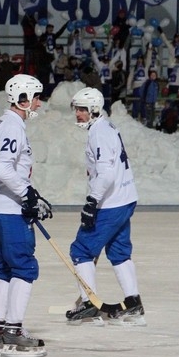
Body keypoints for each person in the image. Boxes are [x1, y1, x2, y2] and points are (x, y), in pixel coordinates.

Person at [0, 74, 51, 357]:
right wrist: (28, 194)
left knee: (5, 269)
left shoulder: (2, 123)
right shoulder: (12, 126)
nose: (39, 102)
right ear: (23, 99)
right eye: (36, 97)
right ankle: (13, 330)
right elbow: (2, 167)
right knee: (24, 267)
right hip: (8, 210)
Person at [66, 87, 145, 327]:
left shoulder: (99, 132)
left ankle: (89, 304)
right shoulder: (107, 127)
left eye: (82, 109)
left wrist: (92, 201)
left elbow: (107, 173)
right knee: (119, 251)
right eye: (77, 109)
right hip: (124, 198)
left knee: (81, 250)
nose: (77, 114)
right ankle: (133, 303)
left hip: (110, 203)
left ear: (94, 110)